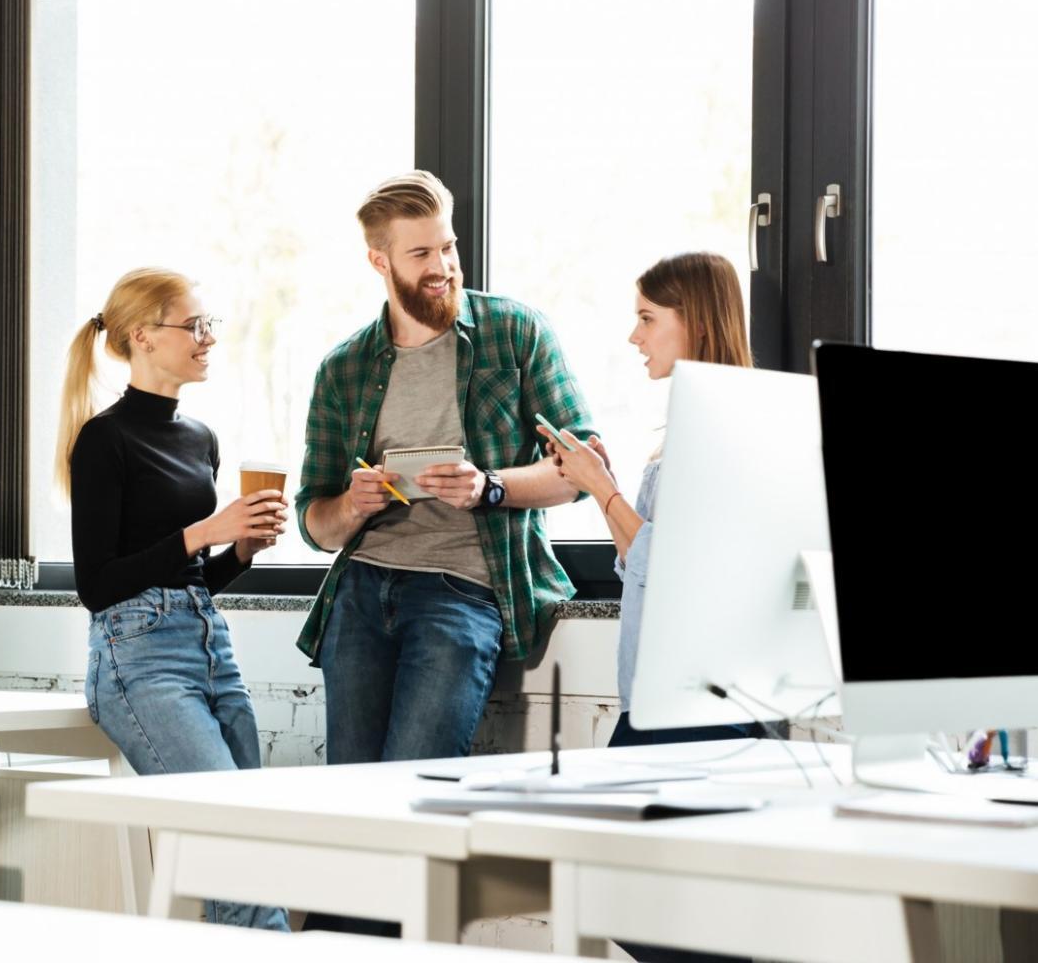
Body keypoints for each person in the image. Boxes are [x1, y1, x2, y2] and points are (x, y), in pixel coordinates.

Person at [295, 169, 595, 768]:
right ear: (380, 263)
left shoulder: (515, 333)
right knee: (350, 794)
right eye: (421, 253)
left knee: (417, 782)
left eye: (449, 246)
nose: (444, 265)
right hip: (359, 595)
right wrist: (354, 503)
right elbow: (315, 525)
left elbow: (583, 466)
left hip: (464, 593)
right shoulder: (343, 369)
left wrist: (490, 487)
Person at [56, 267, 289, 931]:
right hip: (140, 663)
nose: (208, 339)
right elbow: (97, 586)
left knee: (258, 850)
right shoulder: (103, 441)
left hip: (208, 646)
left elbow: (189, 582)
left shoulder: (201, 438)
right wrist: (205, 532)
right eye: (194, 327)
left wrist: (238, 551)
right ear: (141, 337)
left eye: (209, 326)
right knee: (237, 861)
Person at [540, 250, 756, 747]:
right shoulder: (682, 430)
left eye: (647, 318)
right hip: (654, 693)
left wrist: (602, 487)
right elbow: (637, 561)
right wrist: (601, 485)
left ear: (697, 323)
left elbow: (673, 570)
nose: (634, 336)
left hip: (696, 697)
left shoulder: (726, 430)